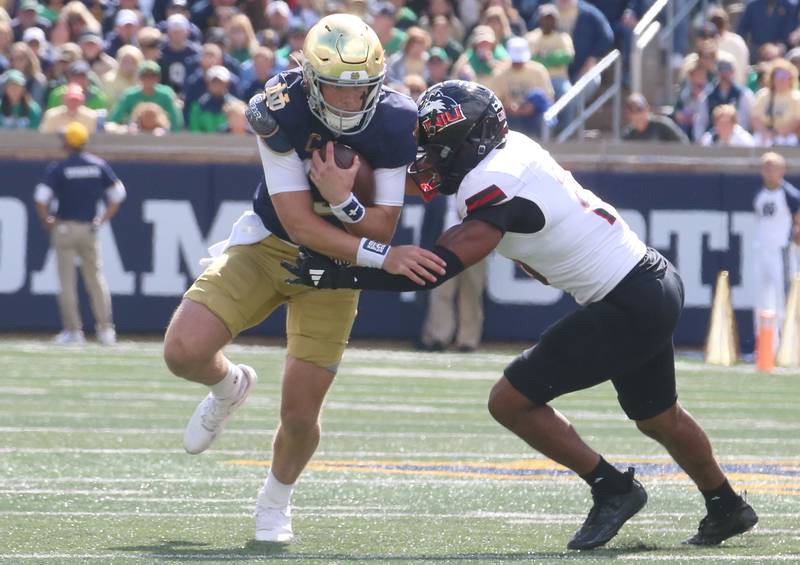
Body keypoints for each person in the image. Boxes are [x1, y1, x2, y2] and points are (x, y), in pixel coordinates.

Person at [285, 80, 759, 550]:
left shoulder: (495, 180)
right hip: (650, 283)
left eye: (439, 145)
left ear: (471, 141)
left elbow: (432, 269)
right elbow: (430, 187)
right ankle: (726, 505)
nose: (430, 155)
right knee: (659, 417)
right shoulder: (510, 151)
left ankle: (612, 489)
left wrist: (335, 270)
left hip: (628, 302)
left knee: (509, 401)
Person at [161, 13, 432, 543]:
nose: (351, 103)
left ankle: (275, 499)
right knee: (182, 351)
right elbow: (298, 222)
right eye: (337, 88)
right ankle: (228, 386)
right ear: (310, 79)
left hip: (337, 267)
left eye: (361, 91)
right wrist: (381, 255)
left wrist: (343, 199)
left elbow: (384, 221)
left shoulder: (398, 119)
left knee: (301, 411)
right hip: (269, 245)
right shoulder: (280, 109)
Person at [33, 121, 125, 346]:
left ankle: (74, 331)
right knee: (96, 280)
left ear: (67, 142)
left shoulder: (60, 167)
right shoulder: (98, 165)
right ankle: (105, 330)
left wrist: (46, 219)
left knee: (67, 282)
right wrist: (102, 219)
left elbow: (41, 197)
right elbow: (119, 194)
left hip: (65, 228)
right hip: (89, 229)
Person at [752, 152, 800, 349]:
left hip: (781, 252)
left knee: (783, 298)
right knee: (761, 298)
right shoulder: (760, 194)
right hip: (761, 250)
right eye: (766, 167)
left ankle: (787, 346)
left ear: (782, 170)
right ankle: (764, 346)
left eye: (773, 167)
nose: (769, 171)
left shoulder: (790, 195)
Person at [622, 93, 688, 143]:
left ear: (647, 109)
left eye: (639, 109)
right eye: (632, 111)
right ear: (628, 114)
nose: (637, 115)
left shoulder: (663, 125)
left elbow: (683, 143)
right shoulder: (627, 134)